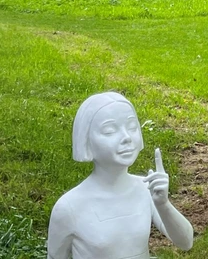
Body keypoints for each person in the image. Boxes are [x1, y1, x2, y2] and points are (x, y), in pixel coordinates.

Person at [48, 92, 195, 258]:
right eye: (110, 130)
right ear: (86, 140)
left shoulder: (146, 189)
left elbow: (186, 242)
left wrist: (163, 204)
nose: (126, 138)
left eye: (132, 127)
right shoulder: (69, 207)